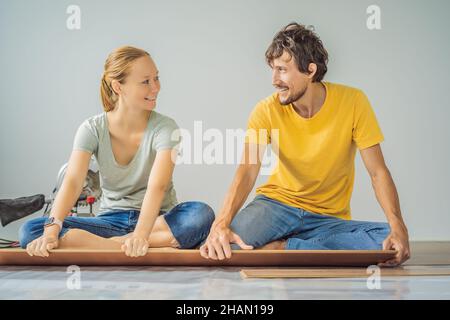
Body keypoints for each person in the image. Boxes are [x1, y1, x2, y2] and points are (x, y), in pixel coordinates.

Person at [200, 23, 410, 267]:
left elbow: (377, 172)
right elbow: (247, 171)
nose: (274, 80)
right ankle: (306, 249)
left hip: (327, 218)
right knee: (228, 246)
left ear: (310, 71)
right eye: (273, 69)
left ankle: (285, 246)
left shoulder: (354, 102)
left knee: (387, 240)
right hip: (276, 207)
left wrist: (398, 227)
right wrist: (221, 224)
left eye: (282, 70)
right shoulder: (265, 110)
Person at [19, 46, 214, 257]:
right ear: (118, 87)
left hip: (159, 220)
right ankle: (142, 244)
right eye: (145, 81)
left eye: (156, 78)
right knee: (31, 230)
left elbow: (157, 186)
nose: (156, 87)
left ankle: (109, 245)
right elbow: (73, 181)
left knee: (200, 215)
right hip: (109, 221)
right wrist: (51, 231)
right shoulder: (92, 128)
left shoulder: (166, 127)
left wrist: (140, 234)